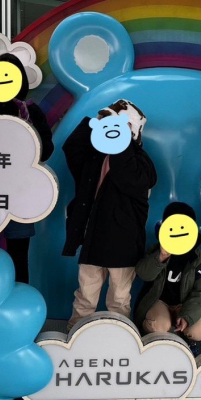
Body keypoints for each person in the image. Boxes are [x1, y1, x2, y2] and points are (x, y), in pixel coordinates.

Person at [63, 100, 157, 328]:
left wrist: (120, 137)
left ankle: (120, 339)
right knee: (85, 298)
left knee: (118, 301)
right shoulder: (94, 157)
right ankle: (76, 337)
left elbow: (129, 177)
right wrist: (96, 122)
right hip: (93, 240)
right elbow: (72, 147)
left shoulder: (140, 162)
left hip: (123, 245)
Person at [0, 53, 53, 283]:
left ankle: (15, 300)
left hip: (18, 193)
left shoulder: (29, 111)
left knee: (12, 255)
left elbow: (46, 150)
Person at [134, 202, 201, 353]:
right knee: (157, 326)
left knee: (198, 330)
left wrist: (187, 316)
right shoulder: (156, 251)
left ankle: (187, 339)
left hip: (184, 304)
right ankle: (155, 341)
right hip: (160, 302)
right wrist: (160, 257)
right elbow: (142, 274)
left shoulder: (198, 260)